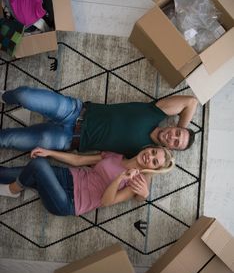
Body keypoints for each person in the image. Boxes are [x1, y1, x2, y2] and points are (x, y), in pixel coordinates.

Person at [0, 86, 198, 157]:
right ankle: (5, 97)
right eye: (177, 134)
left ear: (170, 149)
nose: (173, 137)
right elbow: (191, 102)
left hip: (67, 139)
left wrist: (170, 149)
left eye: (175, 143)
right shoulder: (156, 112)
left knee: (9, 140)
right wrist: (184, 130)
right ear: (174, 126)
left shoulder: (147, 152)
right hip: (75, 111)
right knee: (24, 95)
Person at [0, 145, 174, 216]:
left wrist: (121, 177)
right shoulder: (115, 156)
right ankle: (15, 186)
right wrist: (50, 152)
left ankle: (13, 190)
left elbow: (106, 202)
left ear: (153, 168)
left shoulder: (135, 183)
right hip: (67, 177)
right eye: (153, 152)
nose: (149, 157)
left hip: (69, 202)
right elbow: (79, 161)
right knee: (7, 173)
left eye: (154, 161)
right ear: (149, 148)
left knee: (38, 165)